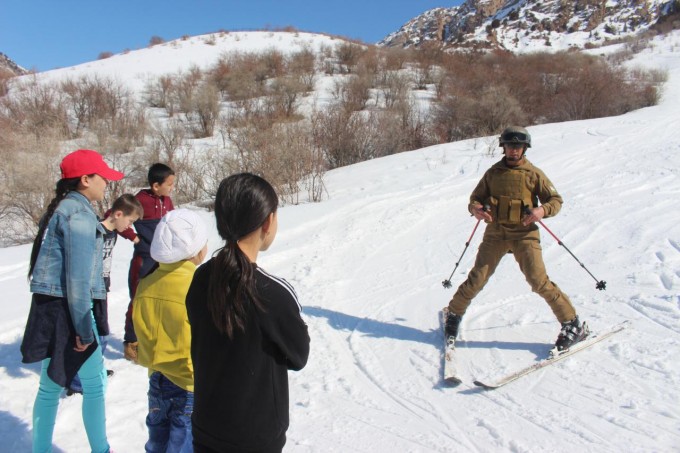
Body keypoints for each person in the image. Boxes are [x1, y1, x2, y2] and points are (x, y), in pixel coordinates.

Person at [186, 173, 310, 453]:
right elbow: (298, 356)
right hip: (256, 437)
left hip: (207, 427)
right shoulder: (271, 293)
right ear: (268, 222)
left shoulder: (200, 278)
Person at [445, 126, 588, 352]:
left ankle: (573, 324)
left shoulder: (533, 174)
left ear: (524, 148)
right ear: (504, 147)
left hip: (524, 233)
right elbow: (475, 198)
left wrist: (542, 211)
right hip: (496, 232)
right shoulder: (493, 173)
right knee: (477, 278)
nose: (513, 150)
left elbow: (555, 200)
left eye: (518, 146)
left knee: (538, 281)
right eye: (510, 146)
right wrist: (476, 209)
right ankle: (453, 314)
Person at [21, 149, 124, 453]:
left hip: (53, 309)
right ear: (84, 179)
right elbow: (78, 281)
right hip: (71, 312)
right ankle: (101, 449)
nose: (106, 183)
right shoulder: (78, 215)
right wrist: (82, 328)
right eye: (102, 177)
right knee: (94, 386)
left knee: (50, 387)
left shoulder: (62, 208)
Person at [133, 209, 208, 453]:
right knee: (183, 444)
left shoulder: (145, 284)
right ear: (196, 250)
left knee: (158, 441)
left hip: (156, 379)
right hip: (188, 384)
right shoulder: (199, 286)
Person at [68, 193, 144, 395]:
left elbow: (124, 229)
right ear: (118, 214)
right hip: (89, 289)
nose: (129, 226)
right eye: (130, 221)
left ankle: (94, 370)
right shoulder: (93, 231)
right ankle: (77, 380)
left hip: (102, 285)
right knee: (91, 334)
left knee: (102, 332)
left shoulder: (113, 232)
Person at [119, 163, 175, 363]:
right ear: (155, 185)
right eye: (169, 184)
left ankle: (152, 338)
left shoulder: (167, 201)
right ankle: (131, 342)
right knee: (138, 299)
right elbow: (113, 216)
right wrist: (133, 237)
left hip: (162, 260)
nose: (171, 188)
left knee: (158, 299)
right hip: (143, 260)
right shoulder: (140, 200)